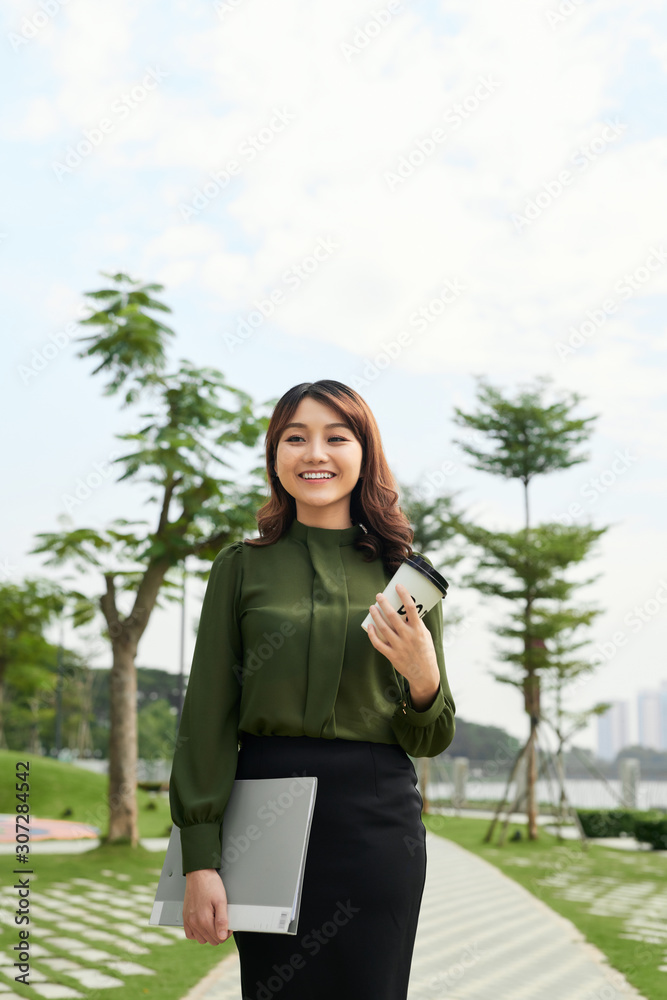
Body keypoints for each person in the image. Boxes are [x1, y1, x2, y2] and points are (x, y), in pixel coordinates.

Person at [168, 378, 456, 1000]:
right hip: (263, 810)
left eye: (336, 437)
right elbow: (208, 716)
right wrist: (198, 857)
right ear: (276, 456)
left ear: (364, 453)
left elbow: (429, 736)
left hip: (376, 818)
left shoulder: (402, 575)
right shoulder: (240, 568)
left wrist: (424, 674)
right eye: (295, 438)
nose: (315, 454)